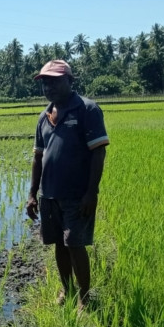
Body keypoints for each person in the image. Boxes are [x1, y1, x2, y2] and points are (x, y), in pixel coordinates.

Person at [25, 60, 109, 310]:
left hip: (76, 195)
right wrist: (32, 194)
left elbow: (98, 153)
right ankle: (67, 289)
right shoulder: (44, 116)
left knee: (75, 244)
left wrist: (91, 193)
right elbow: (38, 157)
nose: (48, 87)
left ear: (70, 81)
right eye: (45, 82)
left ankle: (85, 298)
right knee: (58, 245)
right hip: (49, 195)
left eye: (54, 81)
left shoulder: (87, 109)